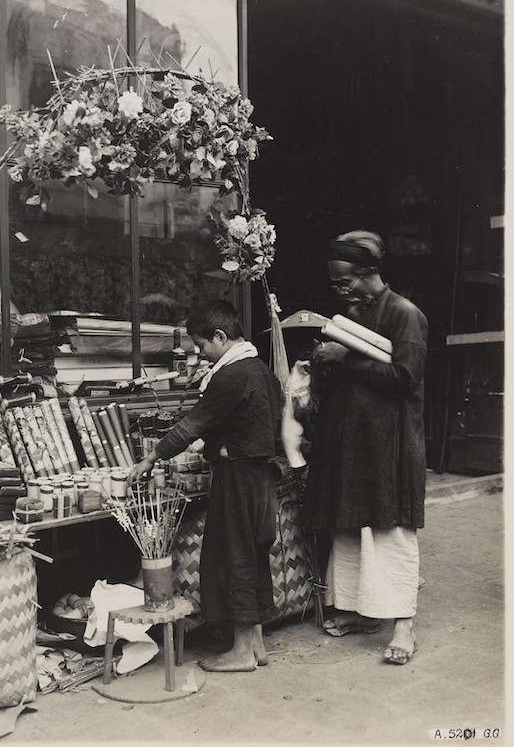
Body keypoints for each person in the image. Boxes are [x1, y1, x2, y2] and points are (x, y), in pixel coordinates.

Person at [129, 299, 282, 672]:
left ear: (219, 336)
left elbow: (193, 424)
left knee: (236, 558)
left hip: (239, 477)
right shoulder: (260, 369)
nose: (201, 355)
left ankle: (242, 652)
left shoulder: (232, 374)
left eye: (201, 346)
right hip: (262, 477)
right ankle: (257, 646)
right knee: (255, 555)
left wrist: (152, 457)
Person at [304, 230, 428, 665]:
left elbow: (405, 379)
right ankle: (363, 613)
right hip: (356, 443)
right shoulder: (357, 315)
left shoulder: (404, 314)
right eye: (336, 285)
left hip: (390, 444)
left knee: (390, 531)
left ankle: (404, 627)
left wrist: (346, 360)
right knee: (352, 527)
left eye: (345, 283)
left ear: (369, 272)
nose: (341, 291)